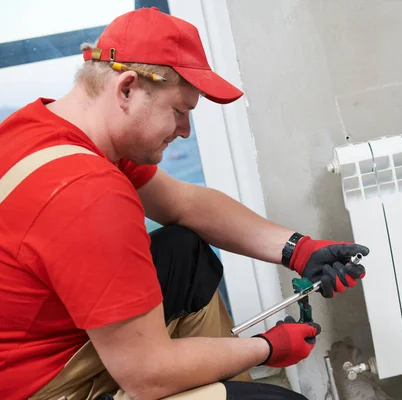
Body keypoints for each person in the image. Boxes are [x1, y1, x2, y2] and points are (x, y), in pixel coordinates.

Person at [0, 7, 369, 400]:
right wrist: (269, 346)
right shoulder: (90, 194)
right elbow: (147, 376)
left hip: (32, 352)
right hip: (42, 390)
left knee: (183, 250)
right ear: (126, 89)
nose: (185, 130)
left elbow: (184, 203)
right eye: (179, 111)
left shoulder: (38, 129)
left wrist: (298, 249)